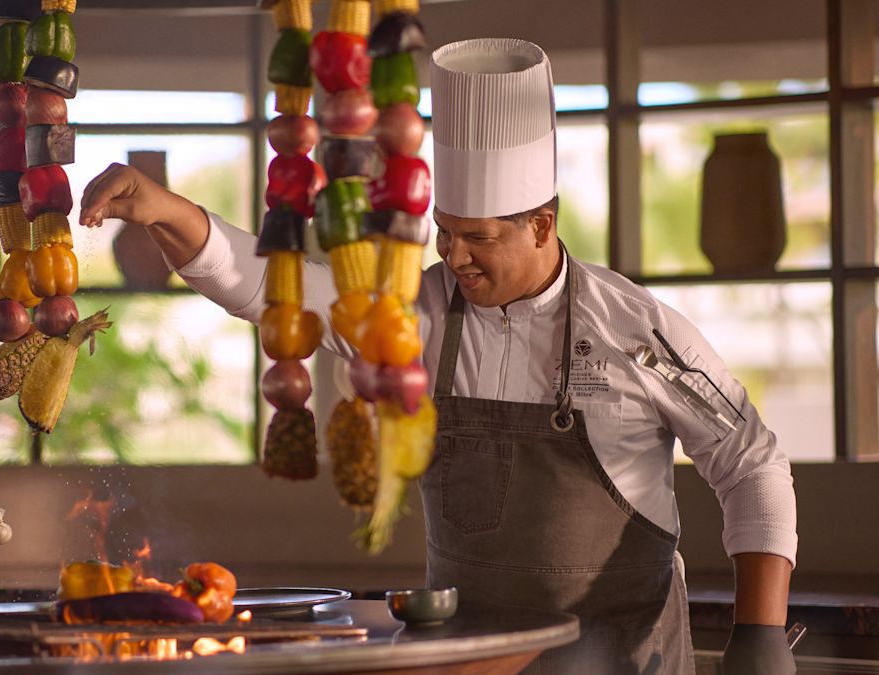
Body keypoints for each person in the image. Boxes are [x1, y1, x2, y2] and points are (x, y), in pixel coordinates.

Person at [78, 38, 797, 675]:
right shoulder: (416, 312)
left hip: (620, 661)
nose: (453, 256)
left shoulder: (636, 330)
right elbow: (277, 290)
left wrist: (760, 634)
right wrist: (166, 209)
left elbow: (751, 462)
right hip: (465, 661)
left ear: (542, 225)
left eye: (478, 238)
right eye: (444, 233)